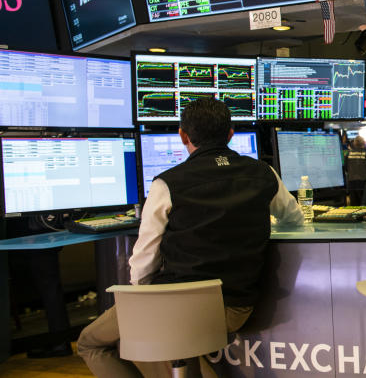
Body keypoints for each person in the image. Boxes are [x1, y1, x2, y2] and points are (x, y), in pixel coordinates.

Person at [78, 98, 303, 377]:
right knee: (183, 341)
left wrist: (144, 301)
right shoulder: (263, 173)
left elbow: (144, 259)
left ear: (183, 135)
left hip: (179, 306)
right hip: (237, 308)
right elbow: (295, 220)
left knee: (90, 342)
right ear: (231, 133)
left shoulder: (166, 183)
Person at [345, 135, 366, 205]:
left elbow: (346, 168)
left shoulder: (348, 154)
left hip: (352, 185)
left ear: (354, 144)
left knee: (354, 208)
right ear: (363, 143)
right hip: (364, 185)